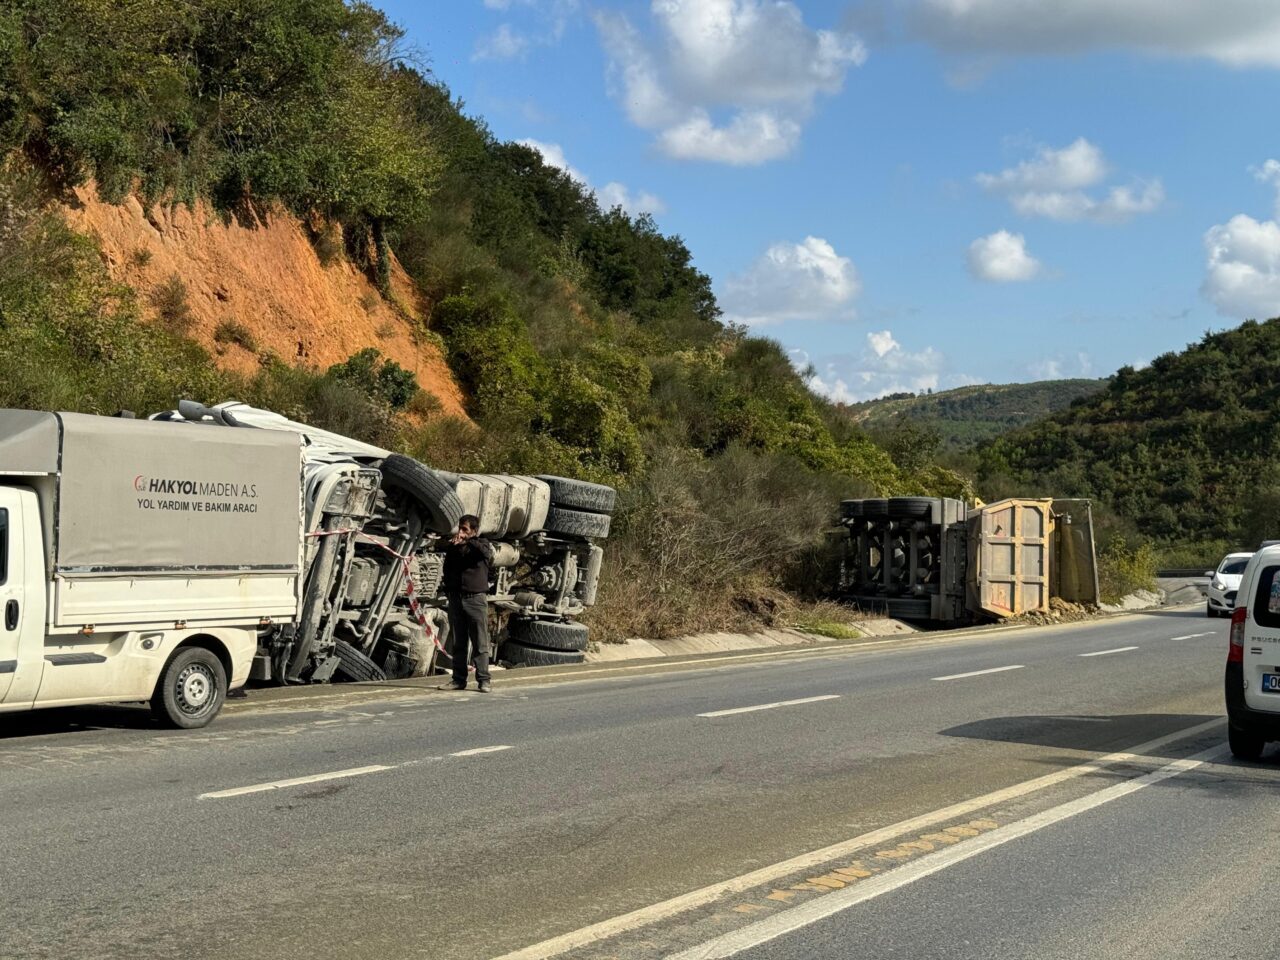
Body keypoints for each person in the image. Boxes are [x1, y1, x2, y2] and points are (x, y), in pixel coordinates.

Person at [442, 514, 494, 692]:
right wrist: (448, 590)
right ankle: (458, 679)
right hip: (457, 598)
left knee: (480, 642)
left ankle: (484, 680)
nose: (461, 532)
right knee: (458, 641)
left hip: (475, 600)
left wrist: (468, 540)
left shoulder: (482, 545)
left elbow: (484, 552)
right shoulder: (454, 547)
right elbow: (447, 568)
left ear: (474, 531)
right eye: (460, 528)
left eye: (465, 529)